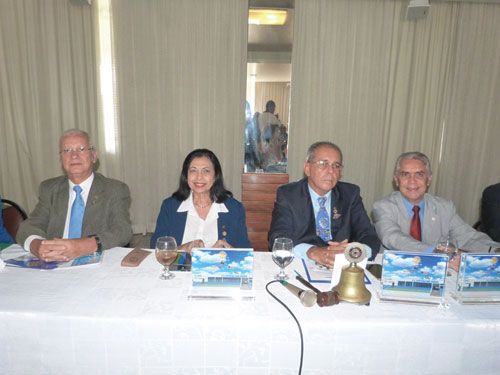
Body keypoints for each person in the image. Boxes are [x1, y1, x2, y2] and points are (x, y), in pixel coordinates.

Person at [16, 129, 133, 261]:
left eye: (81, 149)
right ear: (61, 159)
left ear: (94, 156)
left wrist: (85, 245)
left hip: (95, 262)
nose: (74, 156)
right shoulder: (49, 188)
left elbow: (122, 230)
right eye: (67, 150)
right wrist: (36, 245)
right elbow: (30, 226)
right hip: (54, 262)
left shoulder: (114, 189)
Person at [269, 141, 380, 267]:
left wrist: (354, 252)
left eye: (336, 165)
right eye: (323, 164)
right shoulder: (288, 194)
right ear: (307, 169)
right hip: (301, 264)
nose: (331, 171)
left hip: (341, 266)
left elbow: (369, 235)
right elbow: (278, 237)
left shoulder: (350, 194)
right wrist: (311, 252)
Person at [372, 152, 500, 260]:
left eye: (419, 174)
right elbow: (393, 237)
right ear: (396, 180)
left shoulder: (445, 207)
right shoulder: (383, 206)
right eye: (405, 174)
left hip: (437, 274)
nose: (412, 181)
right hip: (396, 271)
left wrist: (494, 250)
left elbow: (467, 236)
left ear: (429, 179)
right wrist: (436, 252)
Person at [151, 148, 251, 252]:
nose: (199, 177)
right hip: (179, 267)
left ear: (215, 176)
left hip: (219, 266)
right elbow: (156, 246)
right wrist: (183, 248)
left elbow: (244, 250)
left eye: (206, 171)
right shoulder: (170, 206)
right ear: (186, 175)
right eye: (193, 170)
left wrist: (229, 251)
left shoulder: (234, 208)